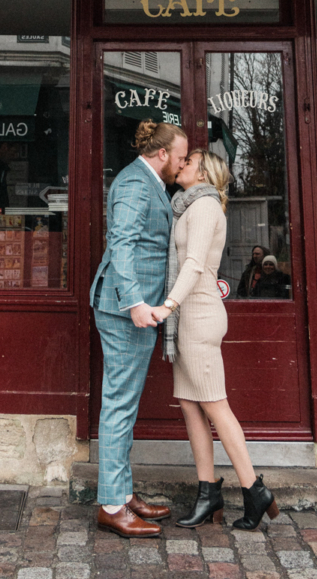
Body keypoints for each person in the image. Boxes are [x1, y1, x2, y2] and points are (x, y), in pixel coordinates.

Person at [151, 149, 279, 532]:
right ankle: (209, 493)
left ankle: (254, 489)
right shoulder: (187, 206)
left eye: (188, 161)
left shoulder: (205, 207)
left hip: (199, 313)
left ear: (204, 173)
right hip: (187, 315)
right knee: (191, 407)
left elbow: (193, 263)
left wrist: (167, 304)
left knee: (216, 407)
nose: (181, 165)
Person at [90, 119, 189, 538]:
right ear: (162, 153)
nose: (182, 165)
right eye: (181, 157)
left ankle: (123, 492)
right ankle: (112, 506)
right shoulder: (135, 184)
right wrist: (134, 303)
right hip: (125, 310)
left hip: (134, 308)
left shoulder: (146, 181)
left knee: (124, 404)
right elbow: (123, 243)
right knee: (119, 404)